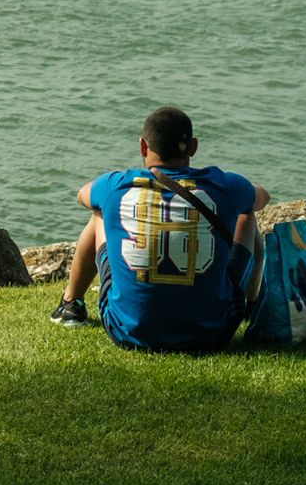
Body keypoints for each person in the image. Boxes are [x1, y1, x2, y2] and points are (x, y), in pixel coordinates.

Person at [51, 106, 270, 354]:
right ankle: (252, 306)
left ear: (143, 147)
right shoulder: (224, 184)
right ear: (193, 147)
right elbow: (263, 197)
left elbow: (82, 195)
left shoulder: (117, 184)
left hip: (127, 330)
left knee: (99, 213)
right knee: (246, 213)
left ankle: (71, 304)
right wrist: (240, 189)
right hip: (212, 333)